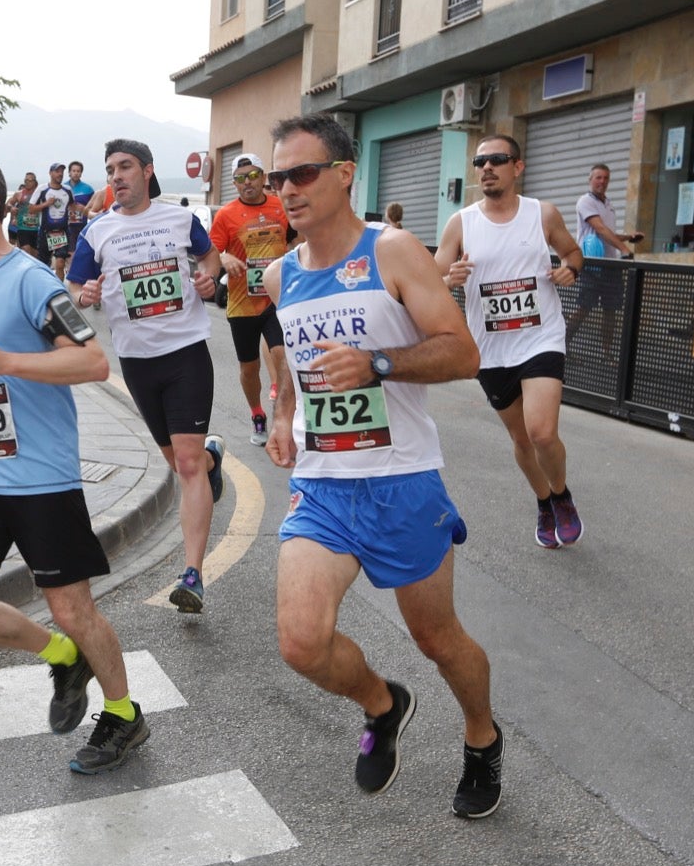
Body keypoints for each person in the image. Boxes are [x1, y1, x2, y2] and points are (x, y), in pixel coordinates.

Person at [262, 113, 502, 819]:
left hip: (401, 481)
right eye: (279, 178)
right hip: (323, 484)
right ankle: (382, 702)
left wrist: (379, 364)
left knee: (437, 638)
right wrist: (282, 415)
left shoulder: (393, 251)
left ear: (343, 173)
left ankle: (482, 737)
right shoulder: (280, 274)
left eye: (301, 173)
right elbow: (291, 360)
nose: (287, 189)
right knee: (301, 642)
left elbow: (462, 352)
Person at [0, 151, 150, 774]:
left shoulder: (33, 281)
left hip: (42, 480)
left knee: (73, 608)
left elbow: (91, 363)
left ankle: (125, 715)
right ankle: (59, 656)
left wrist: (4, 362)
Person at [67, 139, 225, 614]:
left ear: (147, 171)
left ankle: (192, 574)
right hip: (136, 361)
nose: (116, 176)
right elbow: (74, 287)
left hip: (186, 353)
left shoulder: (180, 219)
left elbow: (210, 257)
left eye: (125, 167)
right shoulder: (97, 231)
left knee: (188, 466)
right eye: (110, 168)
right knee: (180, 462)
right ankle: (213, 460)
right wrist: (85, 294)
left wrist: (207, 279)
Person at [436, 134, 586, 549]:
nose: (486, 168)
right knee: (520, 439)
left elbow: (573, 254)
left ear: (517, 167)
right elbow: (432, 279)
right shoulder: (461, 223)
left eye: (497, 160)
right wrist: (451, 279)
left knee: (541, 432)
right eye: (480, 162)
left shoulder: (543, 214)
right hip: (491, 348)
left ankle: (562, 495)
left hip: (541, 338)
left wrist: (570, 270)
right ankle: (544, 503)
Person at [209, 153, 290, 447]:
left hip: (276, 300)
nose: (248, 183)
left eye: (253, 176)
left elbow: (296, 239)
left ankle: (284, 414)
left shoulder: (280, 207)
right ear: (234, 183)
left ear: (263, 177)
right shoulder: (226, 215)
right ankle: (257, 414)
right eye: (241, 179)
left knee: (282, 356)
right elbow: (210, 253)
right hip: (242, 303)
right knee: (249, 368)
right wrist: (224, 256)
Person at [565, 163, 643, 360]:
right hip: (592, 265)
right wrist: (624, 249)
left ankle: (606, 354)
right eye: (598, 177)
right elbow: (599, 229)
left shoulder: (608, 204)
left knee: (611, 310)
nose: (602, 182)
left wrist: (627, 238)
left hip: (611, 266)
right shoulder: (585, 201)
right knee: (584, 307)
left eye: (606, 178)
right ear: (590, 180)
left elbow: (608, 233)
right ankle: (561, 348)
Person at [31, 162, 75, 281]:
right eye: (57, 171)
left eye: (62, 171)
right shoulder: (42, 189)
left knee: (60, 263)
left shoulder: (68, 190)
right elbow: (31, 209)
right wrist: (46, 204)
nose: (60, 174)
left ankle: (59, 290)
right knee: (44, 265)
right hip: (45, 231)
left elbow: (73, 207)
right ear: (50, 173)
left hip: (62, 231)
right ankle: (45, 288)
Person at [8, 172, 40, 255]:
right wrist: (11, 207)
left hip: (36, 229)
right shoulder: (19, 194)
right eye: (26, 180)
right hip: (23, 228)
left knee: (35, 255)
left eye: (30, 180)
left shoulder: (39, 194)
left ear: (34, 182)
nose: (28, 182)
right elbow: (9, 203)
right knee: (26, 250)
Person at [66, 160, 96, 243]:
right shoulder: (63, 187)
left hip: (82, 226)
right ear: (69, 172)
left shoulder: (88, 189)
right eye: (74, 171)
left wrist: (84, 209)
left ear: (81, 173)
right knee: (66, 253)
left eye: (78, 171)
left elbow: (95, 209)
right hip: (65, 226)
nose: (76, 173)